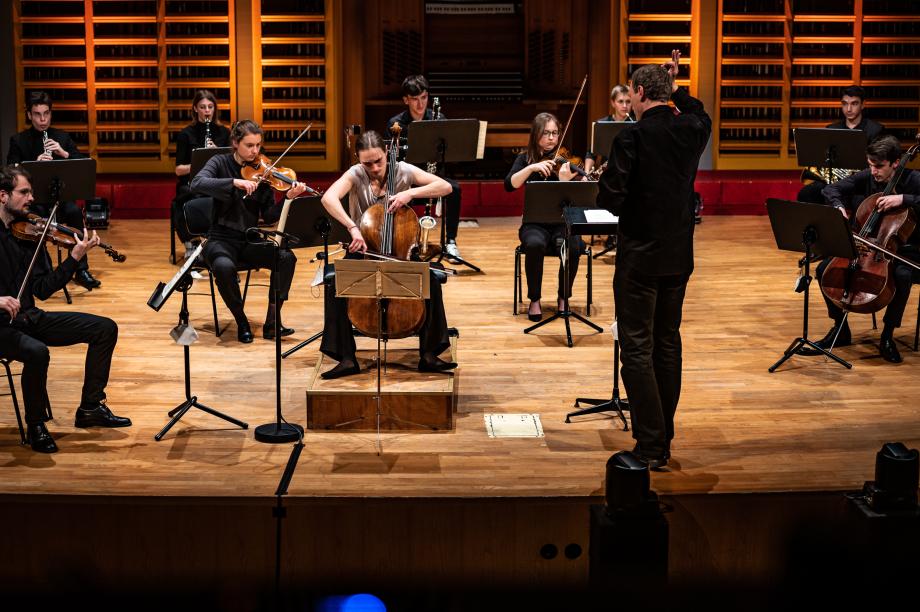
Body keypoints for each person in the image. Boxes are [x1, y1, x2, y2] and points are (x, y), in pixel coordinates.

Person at [597, 50, 712, 469]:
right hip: (679, 256)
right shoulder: (692, 129)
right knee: (668, 343)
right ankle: (664, 436)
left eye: (631, 93)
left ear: (640, 92)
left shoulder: (631, 137)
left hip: (641, 258)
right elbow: (700, 112)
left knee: (638, 349)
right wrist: (678, 85)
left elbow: (610, 199)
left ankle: (651, 444)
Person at [0, 165, 131, 454]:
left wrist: (74, 258)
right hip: (1, 327)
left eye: (31, 192)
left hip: (28, 318)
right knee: (37, 351)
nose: (31, 198)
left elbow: (43, 289)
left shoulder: (29, 234)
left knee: (104, 328)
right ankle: (36, 425)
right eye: (24, 192)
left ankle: (91, 407)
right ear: (3, 195)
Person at [319, 130, 457, 379]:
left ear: (386, 153)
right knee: (335, 283)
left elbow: (445, 187)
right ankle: (346, 357)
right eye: (367, 163)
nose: (374, 167)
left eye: (379, 161)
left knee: (432, 281)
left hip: (399, 249)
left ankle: (429, 354)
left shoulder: (403, 170)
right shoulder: (355, 174)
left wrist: (410, 193)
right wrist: (353, 228)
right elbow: (328, 198)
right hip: (364, 249)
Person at [804, 135, 920, 364]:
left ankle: (887, 336)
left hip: (906, 247)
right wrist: (838, 207)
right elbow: (831, 190)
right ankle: (841, 328)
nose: (873, 171)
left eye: (879, 166)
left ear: (895, 162)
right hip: (869, 245)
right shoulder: (868, 176)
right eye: (870, 165)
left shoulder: (914, 179)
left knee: (902, 275)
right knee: (824, 269)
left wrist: (903, 198)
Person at [189, 120, 308, 343]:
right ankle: (241, 320)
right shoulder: (220, 162)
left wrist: (288, 199)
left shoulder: (264, 173)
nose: (255, 152)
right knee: (223, 267)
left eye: (258, 146)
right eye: (249, 145)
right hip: (221, 239)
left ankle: (272, 321)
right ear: (235, 143)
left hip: (248, 239)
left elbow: (270, 216)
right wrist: (234, 182)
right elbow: (197, 183)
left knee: (285, 258)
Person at [6, 91, 101, 290]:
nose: (42, 119)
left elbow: (81, 164)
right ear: (29, 115)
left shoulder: (62, 137)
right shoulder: (19, 141)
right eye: (37, 114)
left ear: (50, 113)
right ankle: (43, 271)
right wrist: (33, 166)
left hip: (60, 200)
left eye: (46, 114)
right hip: (34, 202)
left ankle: (80, 268)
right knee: (32, 222)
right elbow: (10, 173)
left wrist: (63, 153)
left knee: (74, 212)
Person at [504, 112, 585, 322]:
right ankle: (534, 300)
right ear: (536, 134)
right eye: (546, 133)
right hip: (534, 224)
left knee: (575, 245)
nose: (551, 138)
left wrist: (565, 181)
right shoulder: (524, 159)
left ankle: (563, 297)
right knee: (534, 244)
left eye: (555, 133)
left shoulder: (564, 162)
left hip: (561, 224)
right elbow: (509, 184)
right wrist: (531, 167)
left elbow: (580, 197)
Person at [386, 75, 464, 261]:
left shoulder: (438, 119)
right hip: (409, 179)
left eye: (424, 97)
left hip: (433, 176)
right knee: (397, 193)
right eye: (415, 99)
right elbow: (392, 160)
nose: (421, 104)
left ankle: (451, 241)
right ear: (406, 99)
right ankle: (404, 241)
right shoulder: (395, 124)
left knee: (455, 189)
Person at [797, 85, 886, 204]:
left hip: (861, 181)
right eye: (844, 104)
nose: (848, 109)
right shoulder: (832, 128)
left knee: (857, 199)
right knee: (806, 193)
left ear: (863, 104)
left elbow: (878, 162)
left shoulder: (875, 130)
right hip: (835, 180)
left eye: (854, 104)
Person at [173, 90, 231, 260]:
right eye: (203, 107)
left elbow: (230, 162)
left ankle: (220, 242)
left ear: (215, 109)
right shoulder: (186, 134)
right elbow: (179, 169)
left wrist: (216, 155)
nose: (207, 111)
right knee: (182, 201)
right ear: (195, 109)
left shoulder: (224, 133)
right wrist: (201, 161)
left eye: (210, 107)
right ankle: (190, 244)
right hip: (192, 183)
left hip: (215, 181)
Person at [584, 84, 634, 176]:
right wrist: (586, 173)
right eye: (620, 101)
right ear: (613, 102)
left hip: (631, 172)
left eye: (628, 101)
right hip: (608, 172)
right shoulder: (601, 124)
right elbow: (591, 153)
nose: (624, 105)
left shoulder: (635, 124)